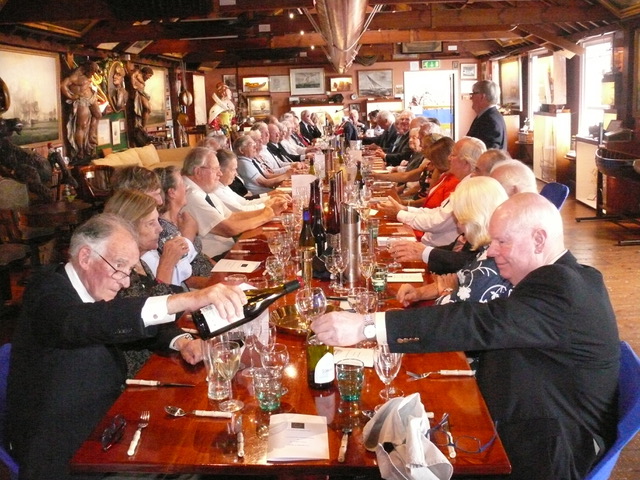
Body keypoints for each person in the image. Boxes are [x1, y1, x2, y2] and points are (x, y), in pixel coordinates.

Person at [312, 192, 620, 480]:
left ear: (539, 240)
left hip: (547, 452)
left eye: (501, 241)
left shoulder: (559, 289)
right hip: (532, 414)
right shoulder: (569, 278)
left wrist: (366, 326)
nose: (492, 251)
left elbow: (478, 322)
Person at [6, 213, 247, 480]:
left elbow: (129, 321)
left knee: (206, 446)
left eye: (130, 270)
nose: (125, 281)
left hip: (109, 425)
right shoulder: (47, 293)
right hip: (67, 453)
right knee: (198, 462)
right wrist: (186, 300)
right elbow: (87, 322)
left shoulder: (99, 283)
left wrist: (181, 341)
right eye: (120, 267)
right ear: (85, 257)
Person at [104, 189, 200, 374]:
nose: (161, 229)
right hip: (141, 367)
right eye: (151, 223)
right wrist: (166, 265)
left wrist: (184, 341)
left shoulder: (140, 261)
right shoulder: (118, 270)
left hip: (164, 349)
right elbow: (146, 322)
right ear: (128, 228)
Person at [396, 176, 512, 306]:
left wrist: (446, 290)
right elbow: (459, 278)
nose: (458, 226)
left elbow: (452, 315)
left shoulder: (495, 261)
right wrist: (419, 293)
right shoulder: (485, 249)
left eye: (461, 220)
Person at [182, 146, 286, 259]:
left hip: (228, 248)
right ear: (198, 172)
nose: (220, 174)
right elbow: (228, 229)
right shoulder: (191, 195)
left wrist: (269, 210)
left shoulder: (204, 188)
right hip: (216, 257)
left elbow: (232, 216)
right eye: (215, 169)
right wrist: (266, 215)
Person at [380, 136, 486, 247]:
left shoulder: (470, 188)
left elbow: (438, 222)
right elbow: (438, 211)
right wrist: (405, 209)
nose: (449, 158)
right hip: (429, 244)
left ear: (466, 162)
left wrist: (400, 213)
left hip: (436, 249)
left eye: (453, 155)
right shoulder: (462, 182)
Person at [155, 165, 215, 277]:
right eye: (182, 184)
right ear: (172, 192)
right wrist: (189, 234)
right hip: (198, 287)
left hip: (211, 274)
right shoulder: (163, 229)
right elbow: (180, 273)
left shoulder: (181, 218)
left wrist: (219, 270)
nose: (187, 187)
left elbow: (199, 255)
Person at [213, 148, 290, 213]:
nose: (236, 174)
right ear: (220, 170)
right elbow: (241, 210)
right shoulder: (216, 190)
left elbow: (244, 202)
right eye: (233, 169)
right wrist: (269, 202)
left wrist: (270, 198)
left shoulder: (223, 186)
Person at [60, 61, 102, 161]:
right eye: (92, 72)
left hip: (91, 98)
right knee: (82, 126)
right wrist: (71, 96)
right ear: (87, 69)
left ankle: (91, 136)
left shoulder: (88, 74)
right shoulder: (75, 76)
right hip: (81, 101)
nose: (92, 75)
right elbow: (63, 85)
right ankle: (80, 150)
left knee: (98, 115)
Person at [466, 80, 507, 150]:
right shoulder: (486, 116)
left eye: (473, 94)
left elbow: (490, 153)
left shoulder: (491, 121)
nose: (471, 98)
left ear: (482, 97)